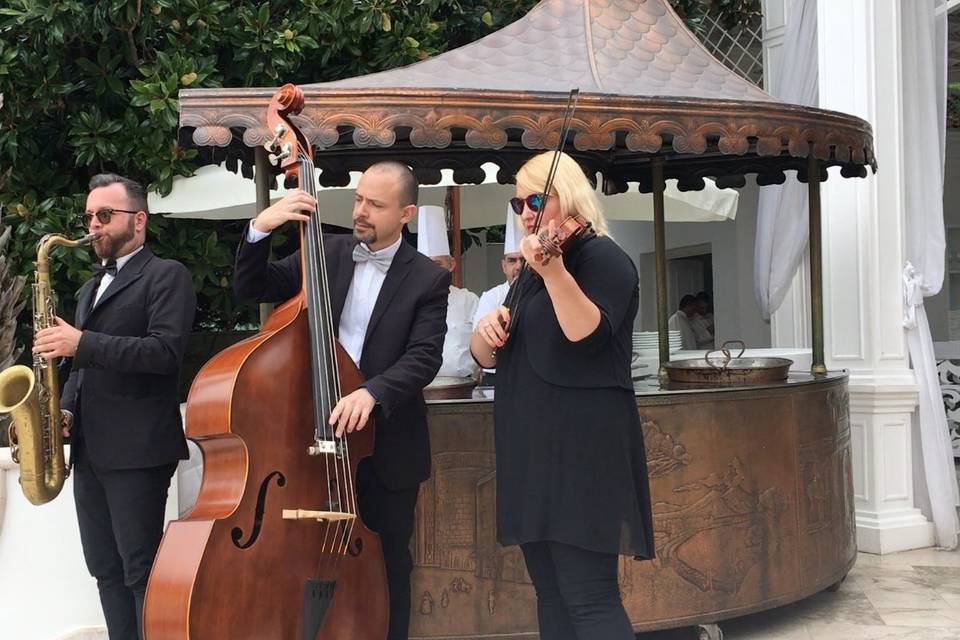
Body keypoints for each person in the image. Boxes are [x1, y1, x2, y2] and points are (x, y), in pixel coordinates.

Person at [233, 160, 449, 640]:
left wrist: (372, 391)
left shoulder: (427, 279)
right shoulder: (325, 252)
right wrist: (260, 227)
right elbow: (252, 287)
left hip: (385, 448)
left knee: (387, 564)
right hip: (311, 440)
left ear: (406, 213)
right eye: (358, 199)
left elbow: (423, 358)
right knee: (300, 554)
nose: (361, 211)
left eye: (376, 204)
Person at [471, 151, 654, 640]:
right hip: (533, 451)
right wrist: (485, 329)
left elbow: (586, 333)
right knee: (550, 592)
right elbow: (485, 357)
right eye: (518, 202)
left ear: (567, 196)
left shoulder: (602, 259)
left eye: (535, 198)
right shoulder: (532, 270)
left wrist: (552, 271)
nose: (526, 212)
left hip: (583, 452)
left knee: (590, 596)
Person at [33, 173, 196, 640]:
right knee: (104, 569)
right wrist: (64, 410)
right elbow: (82, 369)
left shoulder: (168, 275)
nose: (94, 225)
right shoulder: (90, 288)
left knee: (140, 570)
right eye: (89, 217)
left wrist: (81, 342)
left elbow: (163, 355)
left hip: (139, 451)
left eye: (105, 215)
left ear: (138, 220)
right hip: (91, 450)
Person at [417, 205, 479, 380]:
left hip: (464, 385)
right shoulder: (409, 302)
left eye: (437, 265)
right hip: (421, 386)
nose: (430, 272)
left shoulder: (469, 300)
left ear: (451, 265)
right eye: (424, 266)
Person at [472, 204, 523, 385]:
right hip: (497, 376)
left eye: (523, 260)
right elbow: (480, 344)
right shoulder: (491, 297)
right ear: (503, 266)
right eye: (512, 260)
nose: (518, 266)